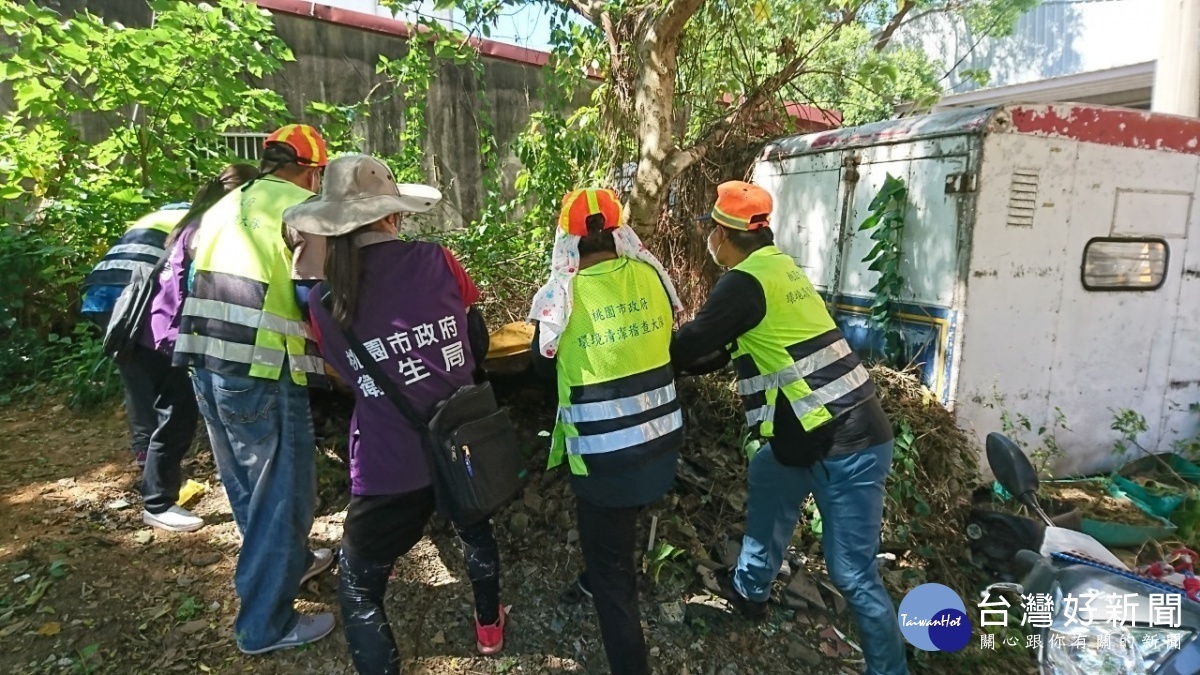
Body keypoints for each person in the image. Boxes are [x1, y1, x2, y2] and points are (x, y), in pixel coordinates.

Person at [671, 181, 907, 675]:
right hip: (806, 431)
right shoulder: (781, 267)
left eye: (713, 232)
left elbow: (691, 346)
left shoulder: (744, 282)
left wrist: (646, 354)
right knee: (767, 474)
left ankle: (889, 669)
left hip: (848, 441)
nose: (711, 241)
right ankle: (750, 590)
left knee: (852, 573)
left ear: (722, 232)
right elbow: (731, 347)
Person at [286, 154, 505, 674]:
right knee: (477, 534)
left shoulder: (322, 303)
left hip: (389, 464)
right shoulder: (439, 260)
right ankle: (490, 628)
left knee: (360, 585)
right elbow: (472, 331)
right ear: (390, 216)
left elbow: (343, 373)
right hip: (460, 441)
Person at [173, 125, 335, 654]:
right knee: (283, 493)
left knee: (248, 487)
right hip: (263, 367)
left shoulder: (224, 204)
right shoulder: (302, 207)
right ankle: (264, 624)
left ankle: (289, 565)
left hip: (204, 362)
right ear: (312, 170)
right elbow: (316, 291)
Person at [528, 188, 684, 675]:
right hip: (661, 443)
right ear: (617, 230)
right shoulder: (652, 275)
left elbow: (539, 366)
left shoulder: (562, 293)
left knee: (614, 577)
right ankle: (598, 576)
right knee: (616, 537)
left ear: (567, 238)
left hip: (603, 460)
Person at [126, 163, 258, 533]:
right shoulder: (214, 228)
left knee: (170, 413)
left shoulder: (194, 222)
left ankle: (158, 494)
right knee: (177, 415)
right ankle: (157, 502)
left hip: (155, 334)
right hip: (165, 339)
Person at [82, 202, 192, 467]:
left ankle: (145, 451)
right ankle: (165, 460)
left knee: (135, 374)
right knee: (170, 379)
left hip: (100, 295)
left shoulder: (150, 219)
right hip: (138, 295)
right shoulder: (199, 218)